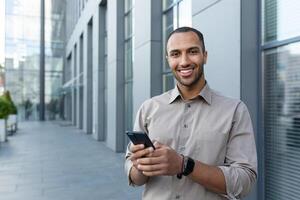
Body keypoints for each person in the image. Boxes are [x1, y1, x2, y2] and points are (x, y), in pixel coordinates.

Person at [125, 26, 257, 200]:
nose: (184, 61)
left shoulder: (234, 110)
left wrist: (183, 165)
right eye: (175, 54)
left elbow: (244, 181)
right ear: (168, 59)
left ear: (205, 56)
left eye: (192, 51)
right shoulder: (149, 108)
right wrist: (142, 166)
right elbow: (134, 176)